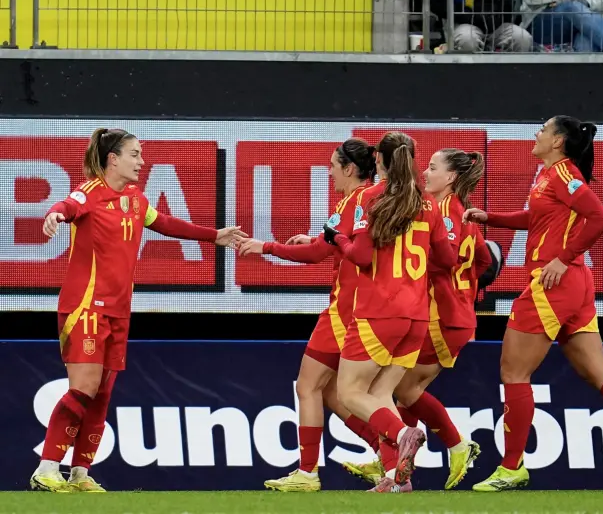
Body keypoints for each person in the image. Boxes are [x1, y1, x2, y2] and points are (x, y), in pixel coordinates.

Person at [465, 116, 603, 491]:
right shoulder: (548, 175)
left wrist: (562, 258)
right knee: (597, 371)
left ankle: (512, 467)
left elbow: (600, 218)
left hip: (553, 284)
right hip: (574, 285)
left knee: (514, 374)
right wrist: (492, 217)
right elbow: (536, 218)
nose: (537, 134)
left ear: (558, 141)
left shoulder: (564, 175)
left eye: (543, 130)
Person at [31, 129, 246, 493]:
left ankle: (81, 474)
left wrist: (214, 235)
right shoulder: (90, 192)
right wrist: (54, 215)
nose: (141, 161)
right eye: (134, 154)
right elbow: (66, 206)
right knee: (83, 389)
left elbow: (162, 222)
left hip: (119, 310)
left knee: (102, 394)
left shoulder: (133, 196)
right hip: (85, 307)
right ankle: (47, 468)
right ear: (113, 159)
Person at [237, 138, 384, 491]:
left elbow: (321, 254)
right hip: (361, 308)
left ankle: (307, 473)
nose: (329, 170)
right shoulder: (362, 199)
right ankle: (389, 457)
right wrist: (317, 240)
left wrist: (266, 246)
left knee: (307, 386)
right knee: (332, 394)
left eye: (333, 164)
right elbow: (335, 246)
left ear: (349, 168)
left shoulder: (357, 200)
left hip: (344, 310)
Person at [329, 132, 459, 492]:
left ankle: (404, 432)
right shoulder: (429, 204)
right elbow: (448, 260)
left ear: (381, 162)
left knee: (349, 393)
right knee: (382, 394)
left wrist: (334, 238)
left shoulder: (371, 197)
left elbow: (360, 256)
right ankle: (395, 479)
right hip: (417, 315)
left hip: (379, 312)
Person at [390, 149, 492, 490]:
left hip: (441, 317)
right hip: (454, 314)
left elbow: (443, 260)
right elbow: (483, 262)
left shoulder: (445, 211)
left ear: (450, 178)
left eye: (433, 168)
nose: (426, 173)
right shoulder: (462, 214)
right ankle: (398, 467)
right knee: (407, 389)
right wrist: (465, 291)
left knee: (402, 387)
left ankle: (457, 445)